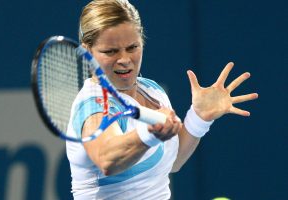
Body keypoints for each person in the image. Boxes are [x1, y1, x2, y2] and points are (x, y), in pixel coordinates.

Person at [66, 0, 258, 199]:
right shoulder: (92, 104)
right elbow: (106, 159)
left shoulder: (152, 90)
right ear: (88, 52)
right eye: (111, 51)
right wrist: (149, 134)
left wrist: (200, 117)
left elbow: (173, 162)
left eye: (132, 47)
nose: (124, 59)